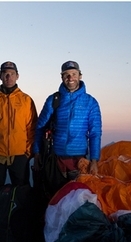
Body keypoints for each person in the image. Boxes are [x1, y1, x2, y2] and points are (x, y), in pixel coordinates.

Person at [33, 60, 102, 197]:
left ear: (80, 76)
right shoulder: (53, 100)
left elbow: (95, 133)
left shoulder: (90, 102)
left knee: (74, 201)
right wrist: (36, 153)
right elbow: (40, 127)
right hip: (55, 160)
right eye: (67, 75)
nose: (70, 78)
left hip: (79, 162)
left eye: (74, 74)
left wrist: (94, 160)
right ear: (62, 77)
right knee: (54, 198)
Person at [0, 61, 38, 204]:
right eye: (5, 74)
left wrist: (28, 152)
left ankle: (22, 223)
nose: (8, 77)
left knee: (23, 194)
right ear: (0, 76)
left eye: (11, 74)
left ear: (17, 76)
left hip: (20, 155)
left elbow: (32, 127)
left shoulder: (26, 100)